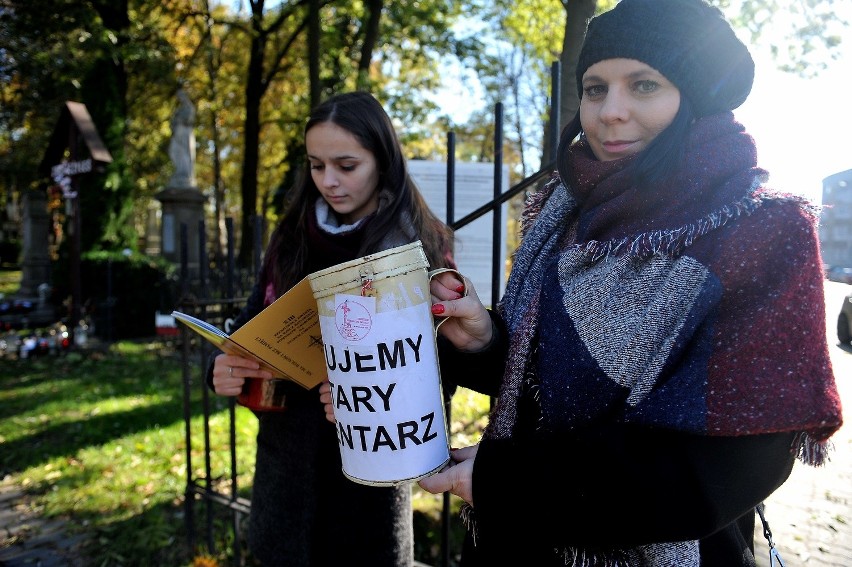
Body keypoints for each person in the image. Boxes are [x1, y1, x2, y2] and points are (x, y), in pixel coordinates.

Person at [412, 0, 843, 565]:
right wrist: (484, 341)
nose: (609, 111)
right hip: (511, 543)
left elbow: (737, 462)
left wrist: (514, 481)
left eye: (643, 85)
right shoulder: (560, 214)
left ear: (700, 97)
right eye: (595, 88)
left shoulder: (760, 230)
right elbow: (551, 383)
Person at [208, 91, 455, 566]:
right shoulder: (291, 236)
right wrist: (222, 367)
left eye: (346, 165)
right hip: (286, 486)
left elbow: (445, 373)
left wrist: (370, 404)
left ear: (383, 161)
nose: (329, 182)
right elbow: (248, 327)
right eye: (316, 165)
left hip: (368, 502)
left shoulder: (419, 245)